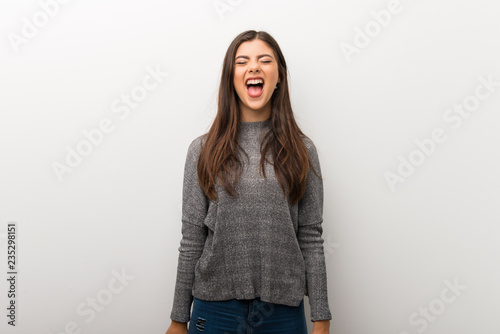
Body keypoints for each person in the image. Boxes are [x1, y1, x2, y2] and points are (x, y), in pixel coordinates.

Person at [166, 30, 332, 334]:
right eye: (242, 61)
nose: (254, 67)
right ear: (231, 76)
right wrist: (179, 319)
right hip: (214, 311)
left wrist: (322, 317)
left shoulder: (302, 150)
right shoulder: (202, 150)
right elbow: (191, 238)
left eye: (264, 60)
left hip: (283, 312)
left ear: (278, 76)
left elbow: (310, 236)